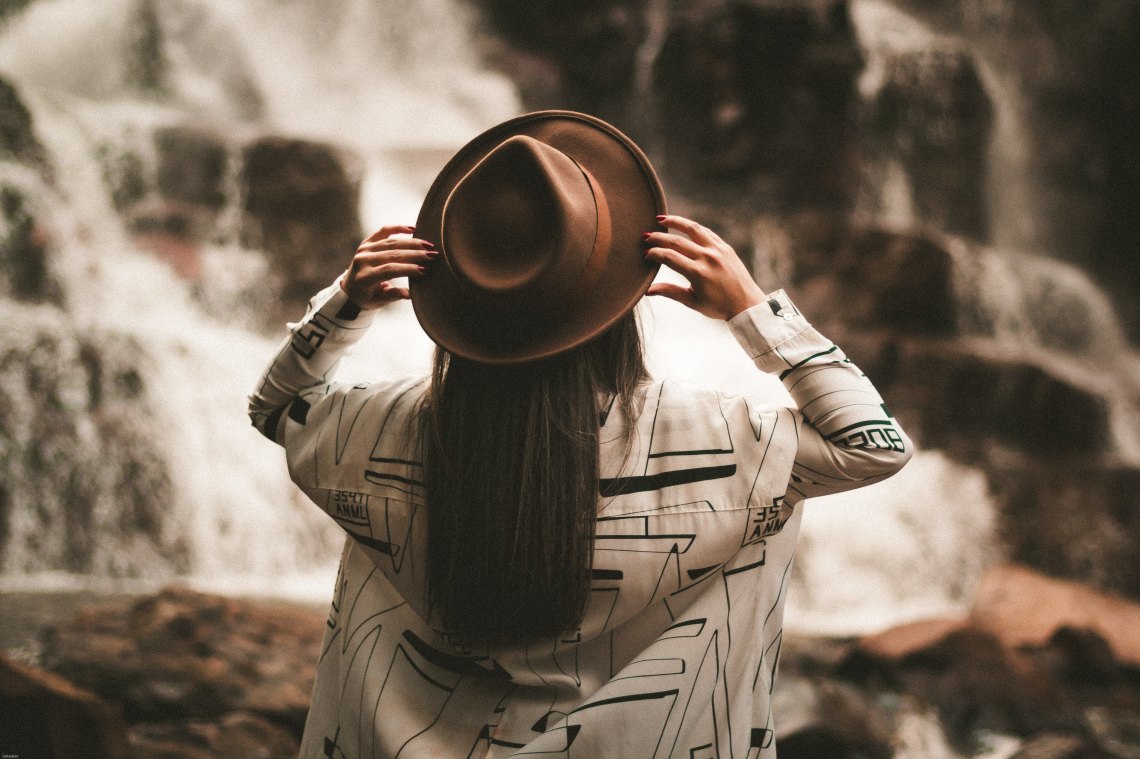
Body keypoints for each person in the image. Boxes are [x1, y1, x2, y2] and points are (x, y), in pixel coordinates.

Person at [249, 111, 912, 758]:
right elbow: (872, 442)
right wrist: (752, 311)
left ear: (457, 299)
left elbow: (276, 407)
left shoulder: (375, 435)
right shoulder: (720, 440)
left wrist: (343, 304)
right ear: (623, 299)